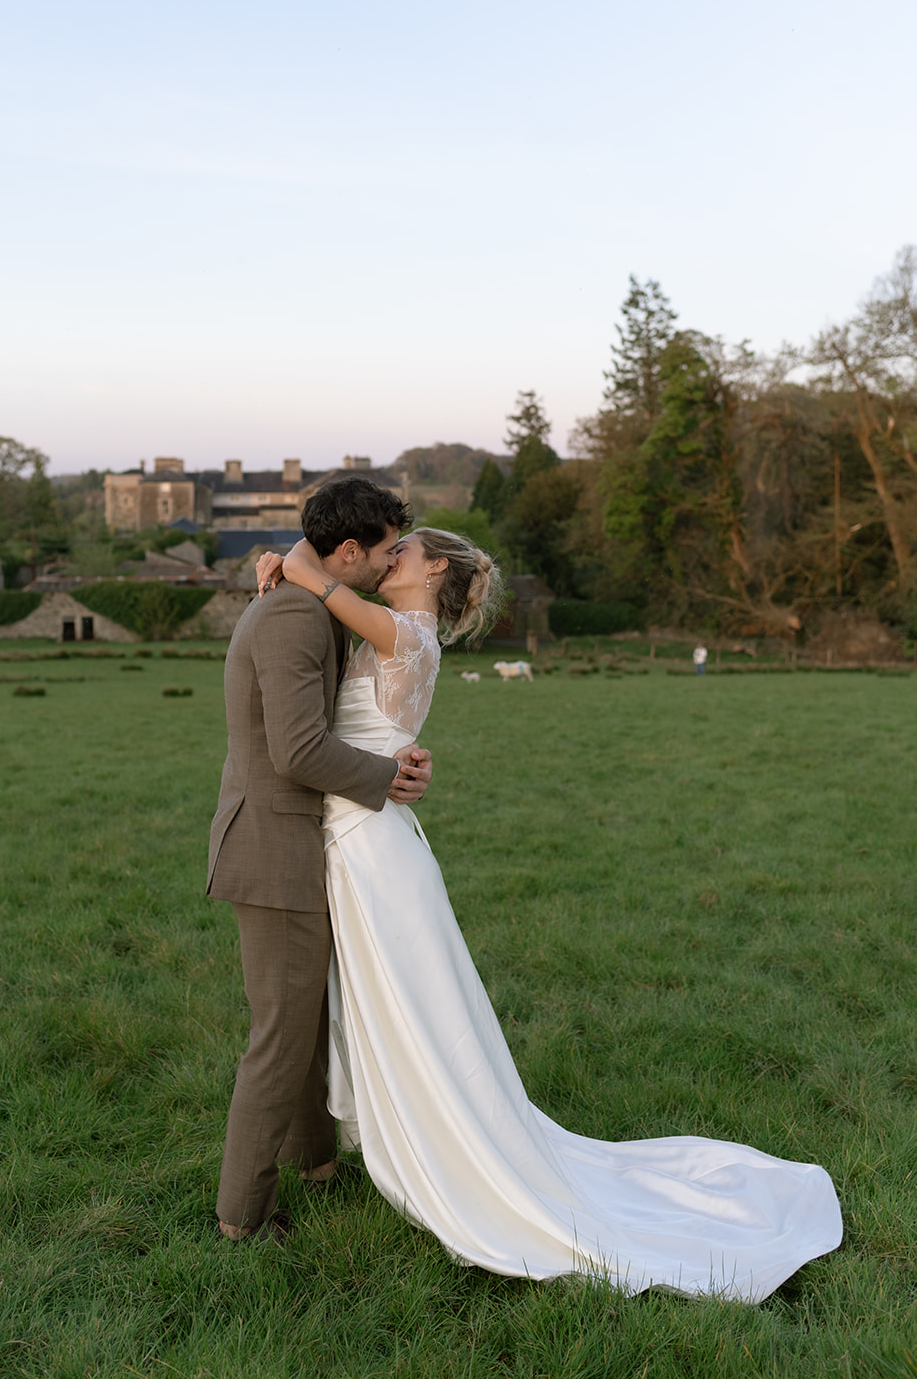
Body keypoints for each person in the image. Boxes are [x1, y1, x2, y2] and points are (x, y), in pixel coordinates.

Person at [253, 527, 843, 1300]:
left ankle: (450, 1147)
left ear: (434, 570)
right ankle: (400, 1131)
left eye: (404, 549)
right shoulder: (395, 626)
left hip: (368, 845)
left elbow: (321, 575)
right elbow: (331, 577)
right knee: (398, 1002)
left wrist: (286, 559)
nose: (385, 557)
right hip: (365, 831)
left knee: (410, 1006)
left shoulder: (403, 629)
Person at [208, 477, 433, 1242]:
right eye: (383, 552)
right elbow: (297, 749)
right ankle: (242, 1215)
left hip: (301, 841)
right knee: (279, 1037)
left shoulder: (308, 599)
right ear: (346, 551)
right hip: (272, 846)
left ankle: (315, 1160)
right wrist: (387, 780)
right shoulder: (293, 618)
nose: (389, 563)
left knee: (305, 1019)